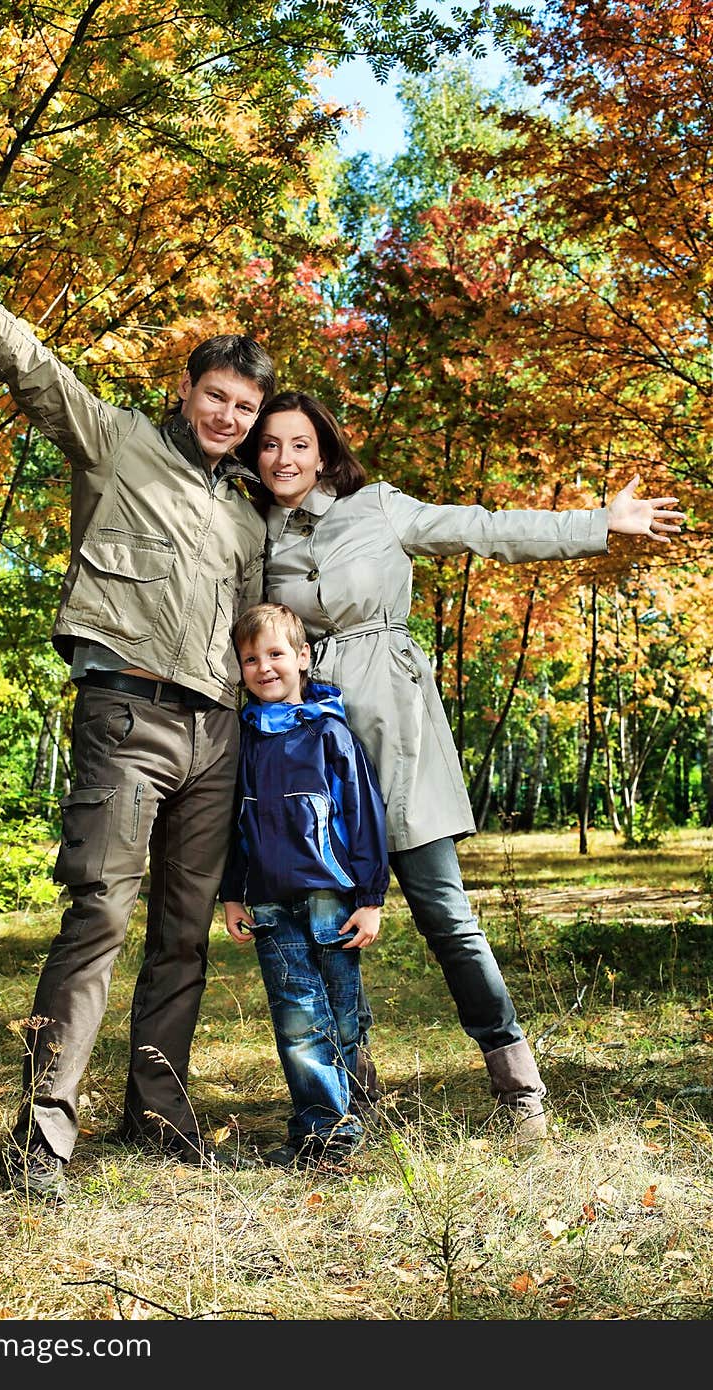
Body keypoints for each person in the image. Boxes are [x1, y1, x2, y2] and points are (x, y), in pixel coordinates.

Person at [0, 178, 277, 1200]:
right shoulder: (117, 439)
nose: (227, 414)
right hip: (126, 715)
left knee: (182, 933)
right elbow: (26, 361)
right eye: (215, 396)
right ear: (186, 392)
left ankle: (158, 1108)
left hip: (217, 735)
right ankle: (44, 1129)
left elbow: (263, 635)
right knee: (97, 914)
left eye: (245, 406)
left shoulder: (249, 520)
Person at [243, 390, 686, 1143]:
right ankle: (351, 1092)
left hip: (397, 731)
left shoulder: (379, 507)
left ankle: (519, 1091)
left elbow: (481, 528)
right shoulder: (256, 538)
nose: (284, 459)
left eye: (299, 444)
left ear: (324, 451)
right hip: (310, 758)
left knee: (446, 916)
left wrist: (597, 525)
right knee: (321, 927)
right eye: (269, 446)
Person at [220, 602, 389, 1167]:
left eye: (275, 654)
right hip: (270, 904)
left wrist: (369, 899)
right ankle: (324, 1134)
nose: (264, 667)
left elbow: (363, 817)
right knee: (297, 1019)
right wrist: (232, 893)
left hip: (331, 897)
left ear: (302, 657)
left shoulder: (330, 734)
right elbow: (234, 824)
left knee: (343, 1012)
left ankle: (355, 1106)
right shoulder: (242, 740)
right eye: (251, 659)